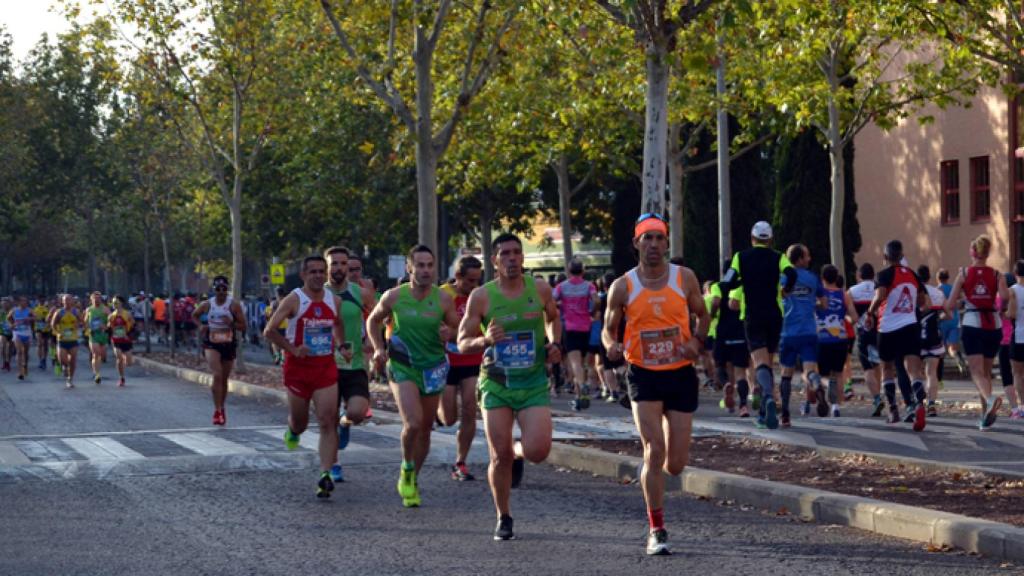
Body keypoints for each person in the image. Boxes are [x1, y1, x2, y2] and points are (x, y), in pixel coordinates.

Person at [602, 214, 709, 556]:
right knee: (654, 449)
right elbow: (608, 328)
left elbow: (703, 315)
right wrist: (611, 346)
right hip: (643, 373)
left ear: (666, 244)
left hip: (679, 374)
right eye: (646, 238)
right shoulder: (623, 286)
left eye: (658, 238)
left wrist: (697, 342)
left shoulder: (684, 278)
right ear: (636, 244)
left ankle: (654, 474)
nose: (653, 245)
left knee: (675, 464)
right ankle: (656, 528)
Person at [458, 233, 562, 541]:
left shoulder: (539, 289)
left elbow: (553, 319)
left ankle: (519, 453)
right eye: (505, 253)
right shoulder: (483, 297)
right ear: (495, 260)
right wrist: (485, 340)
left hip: (532, 383)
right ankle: (503, 516)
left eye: (517, 252)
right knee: (498, 455)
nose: (512, 258)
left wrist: (554, 344)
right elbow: (463, 343)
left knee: (538, 451)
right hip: (497, 384)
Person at [367, 245, 459, 508]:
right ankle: (407, 465)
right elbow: (373, 321)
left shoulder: (442, 299)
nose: (425, 270)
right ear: (409, 268)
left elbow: (456, 328)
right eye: (420, 265)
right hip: (403, 364)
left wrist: (448, 334)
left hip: (433, 367)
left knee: (426, 429)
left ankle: (412, 478)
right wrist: (378, 349)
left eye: (429, 265)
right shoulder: (394, 296)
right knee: (414, 423)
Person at [264, 256, 350, 498]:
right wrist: (292, 349)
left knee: (327, 420)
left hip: (324, 369)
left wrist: (343, 345)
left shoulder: (334, 300)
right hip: (298, 370)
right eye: (312, 271)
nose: (318, 276)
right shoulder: (294, 300)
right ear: (303, 275)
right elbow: (269, 330)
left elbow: (339, 324)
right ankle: (293, 429)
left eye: (321, 271)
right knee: (301, 423)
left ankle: (325, 473)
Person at [718, 221, 797, 430]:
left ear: (752, 239)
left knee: (759, 361)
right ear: (769, 239)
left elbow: (729, 280)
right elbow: (792, 273)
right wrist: (786, 288)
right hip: (774, 314)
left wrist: (733, 284)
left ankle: (768, 397)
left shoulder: (741, 257)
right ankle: (764, 411)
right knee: (768, 361)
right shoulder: (779, 257)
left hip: (753, 315)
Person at [944, 235, 1008, 430]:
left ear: (973, 253)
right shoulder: (997, 275)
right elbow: (1004, 296)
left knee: (975, 372)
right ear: (987, 254)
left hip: (973, 323)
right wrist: (1002, 308)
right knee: (985, 373)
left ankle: (989, 401)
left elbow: (950, 304)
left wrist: (949, 311)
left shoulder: (963, 273)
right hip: (993, 325)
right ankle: (985, 417)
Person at [865, 240, 929, 431]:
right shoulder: (913, 275)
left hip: (887, 327)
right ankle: (919, 403)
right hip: (910, 325)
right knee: (914, 369)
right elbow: (922, 300)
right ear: (901, 256)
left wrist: (870, 313)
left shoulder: (883, 274)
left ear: (885, 257)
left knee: (887, 368)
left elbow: (880, 295)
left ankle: (893, 410)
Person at [324, 246, 373, 483]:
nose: (339, 268)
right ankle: (334, 464)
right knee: (328, 417)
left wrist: (374, 346)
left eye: (343, 264)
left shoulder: (360, 293)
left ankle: (346, 423)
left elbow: (376, 319)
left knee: (358, 412)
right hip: (325, 365)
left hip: (353, 364)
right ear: (326, 267)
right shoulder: (316, 293)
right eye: (334, 263)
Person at [439, 255, 484, 481]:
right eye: (470, 281)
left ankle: (460, 462)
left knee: (469, 408)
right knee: (448, 418)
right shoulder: (443, 295)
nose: (474, 286)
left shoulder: (480, 296)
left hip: (472, 361)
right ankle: (438, 415)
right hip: (446, 362)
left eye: (477, 280)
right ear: (458, 277)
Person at [777, 244, 827, 425]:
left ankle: (785, 415)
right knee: (810, 370)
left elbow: (778, 300)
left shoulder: (782, 278)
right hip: (808, 331)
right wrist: (812, 304)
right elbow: (824, 303)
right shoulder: (813, 278)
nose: (809, 259)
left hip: (788, 332)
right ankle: (816, 384)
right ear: (798, 259)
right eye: (806, 256)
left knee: (786, 374)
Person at [193, 276, 247, 426]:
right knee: (217, 374)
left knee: (224, 379)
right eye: (218, 289)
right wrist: (201, 326)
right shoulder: (207, 305)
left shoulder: (234, 305)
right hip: (212, 342)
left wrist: (232, 323)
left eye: (224, 289)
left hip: (228, 343)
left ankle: (221, 408)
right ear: (214, 290)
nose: (221, 292)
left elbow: (244, 326)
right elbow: (194, 315)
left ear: (227, 290)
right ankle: (217, 410)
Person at [553, 258, 598, 410]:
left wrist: (561, 307)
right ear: (583, 271)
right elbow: (597, 300)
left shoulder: (561, 287)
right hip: (586, 327)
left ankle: (582, 385)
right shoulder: (589, 286)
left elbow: (551, 301)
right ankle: (580, 396)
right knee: (583, 362)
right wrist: (591, 310)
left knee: (574, 362)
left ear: (568, 271)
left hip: (570, 327)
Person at [816, 265, 859, 418]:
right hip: (840, 338)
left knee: (820, 373)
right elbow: (854, 318)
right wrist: (843, 320)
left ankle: (826, 387)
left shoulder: (818, 294)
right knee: (838, 374)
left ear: (822, 278)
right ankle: (835, 406)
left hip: (821, 338)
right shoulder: (844, 295)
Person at [712, 260, 751, 416]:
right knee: (740, 372)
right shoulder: (743, 287)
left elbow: (715, 301)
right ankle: (743, 406)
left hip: (722, 332)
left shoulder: (718, 286)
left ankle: (727, 383)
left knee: (720, 366)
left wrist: (712, 313)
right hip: (740, 331)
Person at [850, 263, 885, 416]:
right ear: (873, 275)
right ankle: (879, 393)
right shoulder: (879, 288)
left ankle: (877, 398)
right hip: (879, 331)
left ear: (859, 275)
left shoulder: (852, 291)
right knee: (877, 365)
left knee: (867, 368)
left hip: (863, 332)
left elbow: (852, 316)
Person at [916, 265, 946, 418]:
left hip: (916, 337)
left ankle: (919, 402)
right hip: (934, 336)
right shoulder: (938, 293)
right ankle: (932, 404)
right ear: (929, 277)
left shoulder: (914, 292)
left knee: (917, 372)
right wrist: (938, 318)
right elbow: (948, 314)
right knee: (931, 373)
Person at [937, 268, 966, 380]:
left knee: (941, 350)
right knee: (952, 347)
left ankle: (940, 376)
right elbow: (962, 300)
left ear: (938, 278)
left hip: (942, 321)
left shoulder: (938, 290)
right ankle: (957, 357)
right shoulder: (954, 289)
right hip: (954, 320)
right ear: (948, 278)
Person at [51, 294, 83, 389]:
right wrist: (57, 333)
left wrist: (79, 325)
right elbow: (53, 324)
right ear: (62, 302)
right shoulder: (59, 312)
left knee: (73, 361)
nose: (67, 302)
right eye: (65, 300)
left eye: (69, 300)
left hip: (73, 339)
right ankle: (64, 367)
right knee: (63, 361)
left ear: (72, 301)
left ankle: (70, 379)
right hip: (62, 340)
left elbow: (83, 322)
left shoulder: (76, 312)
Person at [1005, 261, 1024, 419]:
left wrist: (1003, 313)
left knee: (1017, 373)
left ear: (1015, 274)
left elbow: (1011, 313)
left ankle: (1022, 406)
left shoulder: (1012, 291)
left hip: (1018, 335)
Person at [83, 292, 111, 384]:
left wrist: (106, 326)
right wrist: (87, 328)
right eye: (95, 298)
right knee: (95, 354)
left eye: (98, 298)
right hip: (93, 334)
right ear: (91, 300)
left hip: (103, 335)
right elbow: (85, 322)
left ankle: (97, 370)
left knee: (102, 355)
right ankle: (97, 374)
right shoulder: (89, 310)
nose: (97, 300)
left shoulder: (105, 309)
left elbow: (111, 320)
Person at [108, 296, 135, 387]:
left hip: (126, 339)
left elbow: (132, 326)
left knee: (129, 363)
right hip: (116, 339)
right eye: (113, 303)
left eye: (116, 302)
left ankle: (124, 361)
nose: (114, 304)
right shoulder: (111, 316)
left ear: (121, 303)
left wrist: (129, 335)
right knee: (119, 357)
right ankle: (121, 378)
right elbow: (109, 328)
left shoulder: (127, 314)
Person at [8, 297, 34, 380]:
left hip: (27, 333)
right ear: (19, 302)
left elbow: (35, 318)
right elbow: (8, 317)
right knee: (19, 352)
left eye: (26, 301)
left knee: (25, 353)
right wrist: (12, 325)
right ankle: (20, 372)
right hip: (17, 333)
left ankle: (25, 365)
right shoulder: (14, 310)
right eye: (23, 301)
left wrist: (29, 319)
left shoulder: (29, 310)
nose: (25, 303)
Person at [32, 297, 50, 370]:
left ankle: (44, 359)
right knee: (40, 344)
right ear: (38, 301)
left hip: (46, 329)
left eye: (42, 300)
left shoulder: (47, 309)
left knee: (45, 345)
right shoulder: (35, 309)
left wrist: (45, 319)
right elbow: (32, 318)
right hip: (38, 329)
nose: (41, 301)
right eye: (40, 300)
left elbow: (50, 318)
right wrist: (36, 319)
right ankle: (40, 360)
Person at [0, 298, 12, 372]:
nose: (4, 305)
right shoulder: (1, 312)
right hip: (2, 332)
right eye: (3, 304)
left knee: (9, 348)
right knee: (2, 347)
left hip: (11, 332)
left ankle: (8, 362)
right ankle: (5, 361)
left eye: (6, 303)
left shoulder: (12, 312)